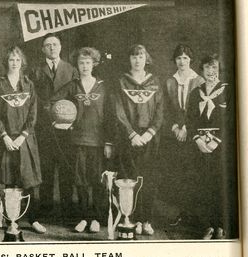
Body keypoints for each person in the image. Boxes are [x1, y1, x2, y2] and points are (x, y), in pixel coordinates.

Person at [51, 47, 117, 233]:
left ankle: (95, 218)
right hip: (77, 140)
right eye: (81, 63)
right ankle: (83, 217)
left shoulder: (103, 86)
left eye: (88, 62)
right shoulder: (72, 86)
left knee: (97, 180)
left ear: (94, 64)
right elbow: (52, 103)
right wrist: (61, 122)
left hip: (97, 142)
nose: (85, 66)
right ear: (77, 65)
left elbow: (110, 116)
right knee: (80, 180)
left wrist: (109, 142)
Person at [0, 46, 45, 234]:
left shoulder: (29, 84)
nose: (14, 63)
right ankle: (10, 220)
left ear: (22, 62)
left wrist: (23, 136)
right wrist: (4, 136)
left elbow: (33, 113)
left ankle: (34, 219)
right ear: (6, 62)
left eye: (17, 60)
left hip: (25, 140)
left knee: (29, 181)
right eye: (11, 60)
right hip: (5, 140)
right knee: (10, 181)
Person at [114, 44, 164, 236]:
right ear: (129, 59)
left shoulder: (155, 82)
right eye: (134, 56)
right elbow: (118, 112)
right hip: (129, 138)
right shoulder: (122, 82)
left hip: (150, 138)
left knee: (148, 179)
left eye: (141, 57)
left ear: (146, 59)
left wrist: (149, 133)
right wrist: (132, 134)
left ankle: (146, 220)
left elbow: (160, 112)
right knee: (130, 179)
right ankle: (132, 219)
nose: (137, 60)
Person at [186, 54, 237, 239]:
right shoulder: (195, 93)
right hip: (199, 145)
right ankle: (207, 225)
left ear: (219, 70)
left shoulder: (228, 91)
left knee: (220, 184)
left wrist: (217, 141)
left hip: (220, 147)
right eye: (207, 67)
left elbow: (232, 119)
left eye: (214, 67)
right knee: (203, 184)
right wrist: (198, 140)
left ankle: (220, 225)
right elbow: (190, 121)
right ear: (202, 70)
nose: (211, 71)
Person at [30, 33, 78, 218]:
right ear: (43, 49)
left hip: (66, 128)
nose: (52, 47)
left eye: (55, 44)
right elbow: (32, 99)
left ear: (61, 47)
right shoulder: (35, 71)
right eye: (48, 45)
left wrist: (70, 119)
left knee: (66, 168)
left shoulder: (71, 69)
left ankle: (67, 209)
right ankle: (46, 207)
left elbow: (76, 98)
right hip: (44, 127)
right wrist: (46, 112)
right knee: (46, 168)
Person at [162, 44, 204, 224]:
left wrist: (186, 128)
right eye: (179, 58)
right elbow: (165, 109)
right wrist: (175, 128)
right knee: (177, 174)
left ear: (191, 60)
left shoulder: (199, 80)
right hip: (174, 135)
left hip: (194, 135)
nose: (182, 61)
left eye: (185, 58)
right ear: (175, 60)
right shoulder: (170, 81)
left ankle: (194, 214)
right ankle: (180, 213)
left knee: (193, 174)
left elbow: (199, 111)